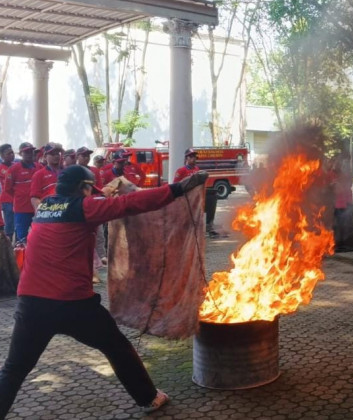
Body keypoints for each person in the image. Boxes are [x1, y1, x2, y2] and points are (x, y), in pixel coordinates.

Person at [0, 165, 208, 417]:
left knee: (14, 368)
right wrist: (177, 188)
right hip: (73, 305)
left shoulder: (45, 206)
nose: (92, 194)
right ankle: (149, 398)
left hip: (30, 303)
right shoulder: (83, 208)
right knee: (117, 347)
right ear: (81, 188)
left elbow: (100, 203)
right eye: (90, 189)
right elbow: (131, 203)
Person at [77, 146, 106, 282]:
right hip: (78, 209)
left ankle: (100, 261)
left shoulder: (94, 171)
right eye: (83, 155)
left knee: (98, 234)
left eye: (88, 155)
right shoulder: (74, 171)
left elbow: (98, 189)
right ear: (78, 157)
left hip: (93, 206)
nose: (86, 158)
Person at [5, 142, 40, 244]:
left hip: (37, 208)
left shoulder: (39, 167)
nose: (30, 154)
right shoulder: (13, 169)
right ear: (20, 154)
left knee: (38, 235)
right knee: (21, 238)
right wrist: (20, 196)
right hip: (21, 209)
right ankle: (20, 259)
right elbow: (8, 189)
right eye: (26, 152)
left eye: (31, 151)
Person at [29, 143, 62, 210]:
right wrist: (41, 211)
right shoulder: (39, 175)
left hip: (65, 211)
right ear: (45, 156)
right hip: (48, 212)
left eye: (58, 153)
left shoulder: (67, 172)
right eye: (52, 154)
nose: (56, 156)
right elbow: (34, 197)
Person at [0, 144, 16, 240]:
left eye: (12, 152)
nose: (11, 155)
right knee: (9, 225)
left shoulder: (16, 166)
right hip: (7, 200)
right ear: (2, 156)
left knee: (17, 224)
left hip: (18, 200)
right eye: (8, 153)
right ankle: (8, 246)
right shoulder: (0, 168)